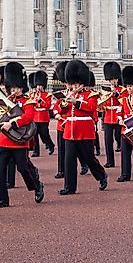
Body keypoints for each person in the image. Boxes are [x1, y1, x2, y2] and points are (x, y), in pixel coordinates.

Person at [0, 61, 44, 208]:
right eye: (12, 87)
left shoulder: (27, 101)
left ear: (22, 87)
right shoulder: (6, 101)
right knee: (0, 171)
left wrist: (12, 124)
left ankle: (37, 186)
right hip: (3, 140)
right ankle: (2, 199)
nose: (15, 90)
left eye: (17, 87)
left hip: (19, 140)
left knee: (23, 168)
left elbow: (28, 117)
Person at [57, 59, 107, 195]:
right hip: (70, 131)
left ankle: (101, 176)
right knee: (69, 161)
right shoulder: (68, 94)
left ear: (82, 83)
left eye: (76, 83)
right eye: (72, 84)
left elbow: (91, 107)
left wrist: (76, 101)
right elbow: (60, 109)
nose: (74, 86)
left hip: (84, 131)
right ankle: (69, 187)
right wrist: (64, 103)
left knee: (89, 159)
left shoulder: (91, 95)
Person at [29, 70, 55, 158]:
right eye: (37, 85)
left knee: (44, 134)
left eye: (40, 85)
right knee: (34, 135)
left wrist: (40, 101)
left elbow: (47, 106)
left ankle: (50, 145)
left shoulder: (47, 95)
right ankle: (36, 151)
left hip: (43, 117)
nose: (38, 87)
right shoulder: (32, 95)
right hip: (35, 117)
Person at [52, 61, 68, 179]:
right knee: (62, 149)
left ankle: (84, 164)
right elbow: (55, 107)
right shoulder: (62, 94)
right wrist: (57, 114)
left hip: (72, 125)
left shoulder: (78, 95)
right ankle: (61, 170)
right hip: (61, 124)